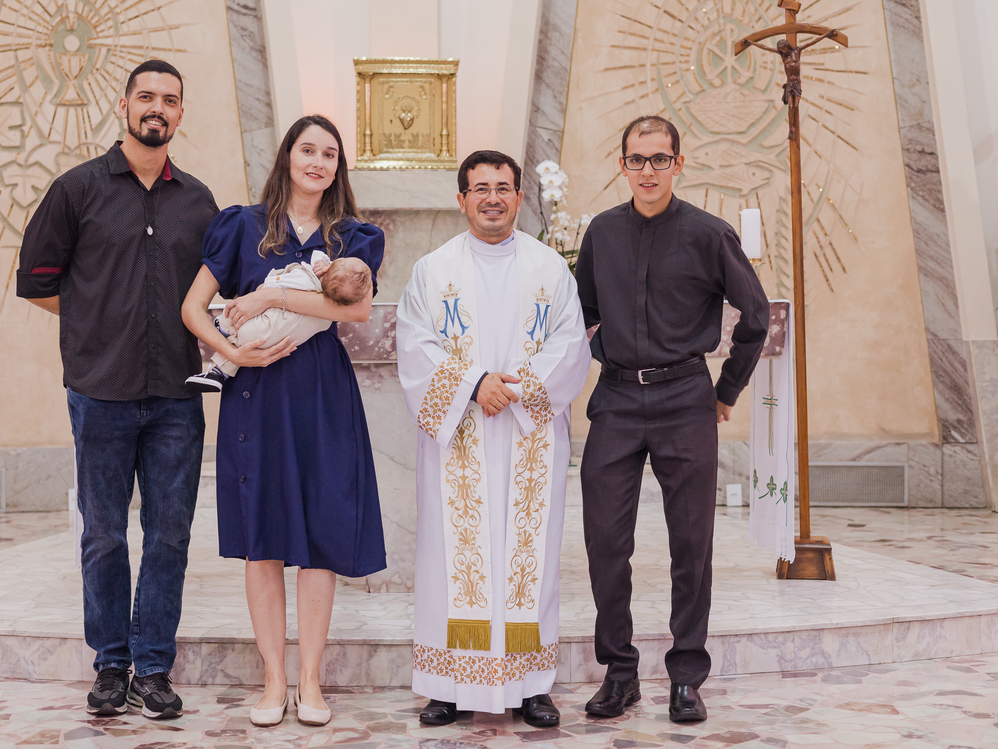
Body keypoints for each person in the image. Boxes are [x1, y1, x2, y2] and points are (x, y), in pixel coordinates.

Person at [17, 59, 218, 720]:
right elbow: (39, 282)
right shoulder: (75, 190)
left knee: (169, 536)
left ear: (181, 114)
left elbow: (215, 292)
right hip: (99, 392)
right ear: (124, 105)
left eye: (170, 99)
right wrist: (93, 329)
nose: (157, 107)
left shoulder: (198, 201)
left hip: (175, 397)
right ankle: (110, 665)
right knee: (103, 535)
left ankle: (153, 666)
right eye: (146, 96)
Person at [180, 114, 386, 728]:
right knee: (263, 539)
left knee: (320, 535)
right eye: (307, 150)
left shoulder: (354, 235)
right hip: (256, 396)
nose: (317, 162)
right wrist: (234, 353)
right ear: (288, 157)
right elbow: (193, 306)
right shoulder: (242, 225)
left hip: (323, 395)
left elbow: (357, 307)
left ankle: (311, 682)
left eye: (329, 153)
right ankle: (272, 681)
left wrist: (271, 296)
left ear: (338, 166)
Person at [575, 116, 769, 724]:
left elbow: (756, 314)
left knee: (692, 543)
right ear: (623, 164)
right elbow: (579, 313)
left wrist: (725, 388)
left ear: (679, 164)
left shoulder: (710, 234)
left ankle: (687, 675)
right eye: (638, 160)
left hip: (686, 398)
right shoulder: (601, 234)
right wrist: (601, 357)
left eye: (660, 160)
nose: (648, 171)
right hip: (615, 401)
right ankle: (620, 672)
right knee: (606, 541)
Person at [396, 150, 590, 728]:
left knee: (530, 560)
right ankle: (447, 685)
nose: (492, 198)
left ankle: (531, 684)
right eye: (480, 188)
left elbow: (571, 343)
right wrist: (473, 385)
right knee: (451, 561)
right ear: (461, 199)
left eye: (503, 187)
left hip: (529, 439)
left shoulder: (550, 267)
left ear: (519, 196)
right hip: (460, 440)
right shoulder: (433, 269)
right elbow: (415, 345)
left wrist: (518, 390)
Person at [185, 252, 373, 392]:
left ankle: (225, 331)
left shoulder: (308, 279)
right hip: (281, 339)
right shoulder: (326, 314)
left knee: (245, 325)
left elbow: (276, 283)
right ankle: (220, 372)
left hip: (269, 325)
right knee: (250, 336)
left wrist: (267, 294)